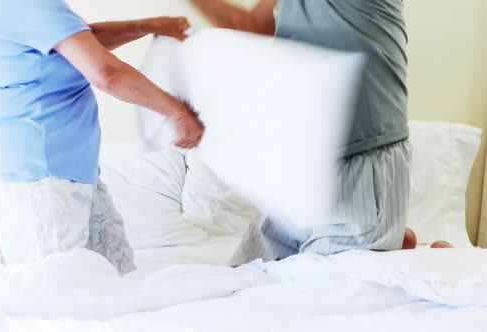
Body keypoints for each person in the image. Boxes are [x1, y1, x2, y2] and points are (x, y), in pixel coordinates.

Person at [191, 0, 452, 263]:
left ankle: (423, 264)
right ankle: (399, 252)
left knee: (323, 295)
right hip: (300, 172)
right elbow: (253, 25)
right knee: (243, 284)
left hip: (360, 160)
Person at [0, 0, 204, 272]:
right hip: (39, 172)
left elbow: (77, 40)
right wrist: (177, 112)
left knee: (116, 276)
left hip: (68, 167)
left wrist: (144, 26)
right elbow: (106, 74)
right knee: (58, 291)